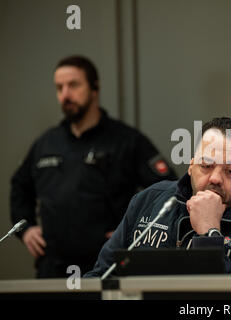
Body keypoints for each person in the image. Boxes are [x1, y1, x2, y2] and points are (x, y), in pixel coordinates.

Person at [10, 55, 177, 278]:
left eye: (73, 85)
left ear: (95, 88)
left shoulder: (126, 141)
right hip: (52, 267)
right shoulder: (45, 143)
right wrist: (26, 229)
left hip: (105, 264)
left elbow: (168, 191)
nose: (65, 94)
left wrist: (132, 232)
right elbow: (20, 187)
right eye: (59, 88)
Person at [84, 117, 231, 277]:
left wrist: (210, 235)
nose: (216, 178)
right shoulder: (149, 201)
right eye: (206, 166)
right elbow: (101, 276)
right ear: (191, 166)